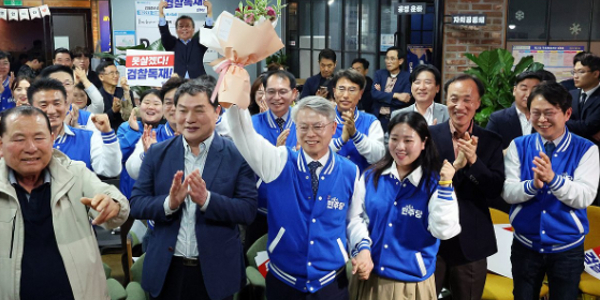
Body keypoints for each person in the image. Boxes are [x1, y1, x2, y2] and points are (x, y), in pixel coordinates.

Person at [226, 96, 373, 300]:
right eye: (303, 127)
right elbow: (243, 134)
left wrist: (363, 248)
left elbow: (354, 219)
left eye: (318, 126)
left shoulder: (350, 171)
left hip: (331, 283)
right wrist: (235, 93)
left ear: (333, 128)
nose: (310, 134)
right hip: (284, 282)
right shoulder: (279, 162)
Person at [129, 80, 257, 300]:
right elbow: (136, 204)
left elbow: (247, 210)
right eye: (183, 110)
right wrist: (169, 204)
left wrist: (207, 200)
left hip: (215, 272)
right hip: (167, 270)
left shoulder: (237, 155)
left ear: (217, 112)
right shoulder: (156, 154)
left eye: (199, 110)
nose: (189, 119)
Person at [0, 105, 129, 300]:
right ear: (1, 144)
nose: (31, 147)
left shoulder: (75, 173)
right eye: (19, 139)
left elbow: (113, 198)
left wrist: (113, 204)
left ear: (52, 139)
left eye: (39, 138)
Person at [503, 81, 599, 300]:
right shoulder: (519, 145)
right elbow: (508, 192)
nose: (542, 119)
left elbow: (584, 197)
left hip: (568, 249)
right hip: (525, 245)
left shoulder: (587, 150)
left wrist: (553, 180)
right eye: (535, 113)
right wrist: (532, 185)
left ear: (567, 113)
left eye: (549, 113)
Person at [350, 112, 461, 300]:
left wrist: (445, 184)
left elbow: (444, 231)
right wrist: (362, 249)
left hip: (410, 284)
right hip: (369, 277)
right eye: (394, 139)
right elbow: (356, 218)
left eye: (408, 140)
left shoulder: (435, 184)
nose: (400, 147)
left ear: (424, 142)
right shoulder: (371, 176)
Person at [429, 74, 505, 300]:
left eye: (467, 100)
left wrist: (474, 163)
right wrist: (452, 168)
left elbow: (493, 190)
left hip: (471, 241)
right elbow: (420, 181)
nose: (459, 106)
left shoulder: (491, 141)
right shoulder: (428, 136)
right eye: (453, 99)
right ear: (446, 100)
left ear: (478, 103)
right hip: (432, 240)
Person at [244, 70, 299, 253]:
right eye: (271, 92)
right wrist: (272, 156)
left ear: (294, 93)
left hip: (296, 211)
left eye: (283, 92)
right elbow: (245, 166)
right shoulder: (252, 124)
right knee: (255, 261)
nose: (276, 97)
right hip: (260, 211)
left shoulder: (304, 123)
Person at [28, 77, 122, 178]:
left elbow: (111, 171)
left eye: (57, 103)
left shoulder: (87, 138)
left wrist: (108, 134)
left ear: (66, 105)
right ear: (30, 107)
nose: (51, 110)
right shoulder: (21, 140)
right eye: (43, 105)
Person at [329, 68, 385, 172]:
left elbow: (378, 157)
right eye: (341, 89)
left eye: (352, 90)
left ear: (360, 94)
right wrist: (340, 141)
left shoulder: (371, 121)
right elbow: (315, 153)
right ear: (334, 92)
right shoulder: (323, 119)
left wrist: (355, 135)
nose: (345, 95)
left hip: (362, 184)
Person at [117, 89, 164, 198]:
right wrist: (134, 131)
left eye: (156, 104)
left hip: (157, 198)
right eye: (146, 103)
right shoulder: (126, 127)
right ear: (139, 105)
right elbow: (118, 156)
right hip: (129, 195)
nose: (151, 107)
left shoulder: (167, 131)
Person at [158, 0, 213, 79]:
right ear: (176, 30)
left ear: (193, 29)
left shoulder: (199, 43)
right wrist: (161, 13)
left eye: (187, 26)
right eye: (181, 26)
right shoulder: (171, 44)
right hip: (177, 83)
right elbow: (164, 32)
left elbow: (207, 30)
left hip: (198, 83)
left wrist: (209, 12)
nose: (184, 29)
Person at [487, 71, 542, 150]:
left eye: (535, 90)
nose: (528, 94)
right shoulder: (498, 119)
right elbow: (487, 153)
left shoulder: (546, 119)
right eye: (524, 89)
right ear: (514, 90)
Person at [371, 47, 411, 132]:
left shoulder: (407, 77)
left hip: (397, 120)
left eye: (392, 59)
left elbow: (405, 100)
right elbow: (374, 94)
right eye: (387, 58)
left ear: (400, 61)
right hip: (378, 118)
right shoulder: (379, 74)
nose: (388, 61)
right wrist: (396, 95)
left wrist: (382, 95)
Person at [566, 54, 600, 144]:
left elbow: (589, 127)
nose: (575, 76)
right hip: (572, 148)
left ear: (596, 74)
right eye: (574, 72)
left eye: (581, 72)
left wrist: (561, 121)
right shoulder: (570, 94)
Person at [96, 60, 135, 131]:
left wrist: (126, 94)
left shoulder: (125, 91)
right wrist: (113, 111)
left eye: (117, 72)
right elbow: (97, 120)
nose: (115, 76)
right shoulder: (96, 96)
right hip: (106, 134)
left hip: (126, 132)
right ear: (101, 77)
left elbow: (133, 113)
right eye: (111, 73)